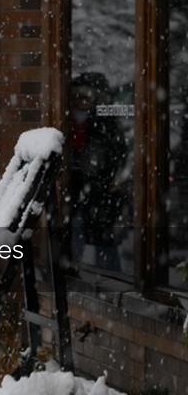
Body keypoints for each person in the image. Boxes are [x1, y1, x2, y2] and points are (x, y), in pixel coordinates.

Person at [69, 72, 129, 273]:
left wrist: (110, 178)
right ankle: (69, 275)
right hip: (74, 189)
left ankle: (111, 286)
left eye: (87, 97)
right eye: (78, 96)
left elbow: (117, 152)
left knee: (104, 238)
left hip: (100, 190)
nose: (82, 101)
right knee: (73, 231)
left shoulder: (105, 122)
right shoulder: (66, 118)